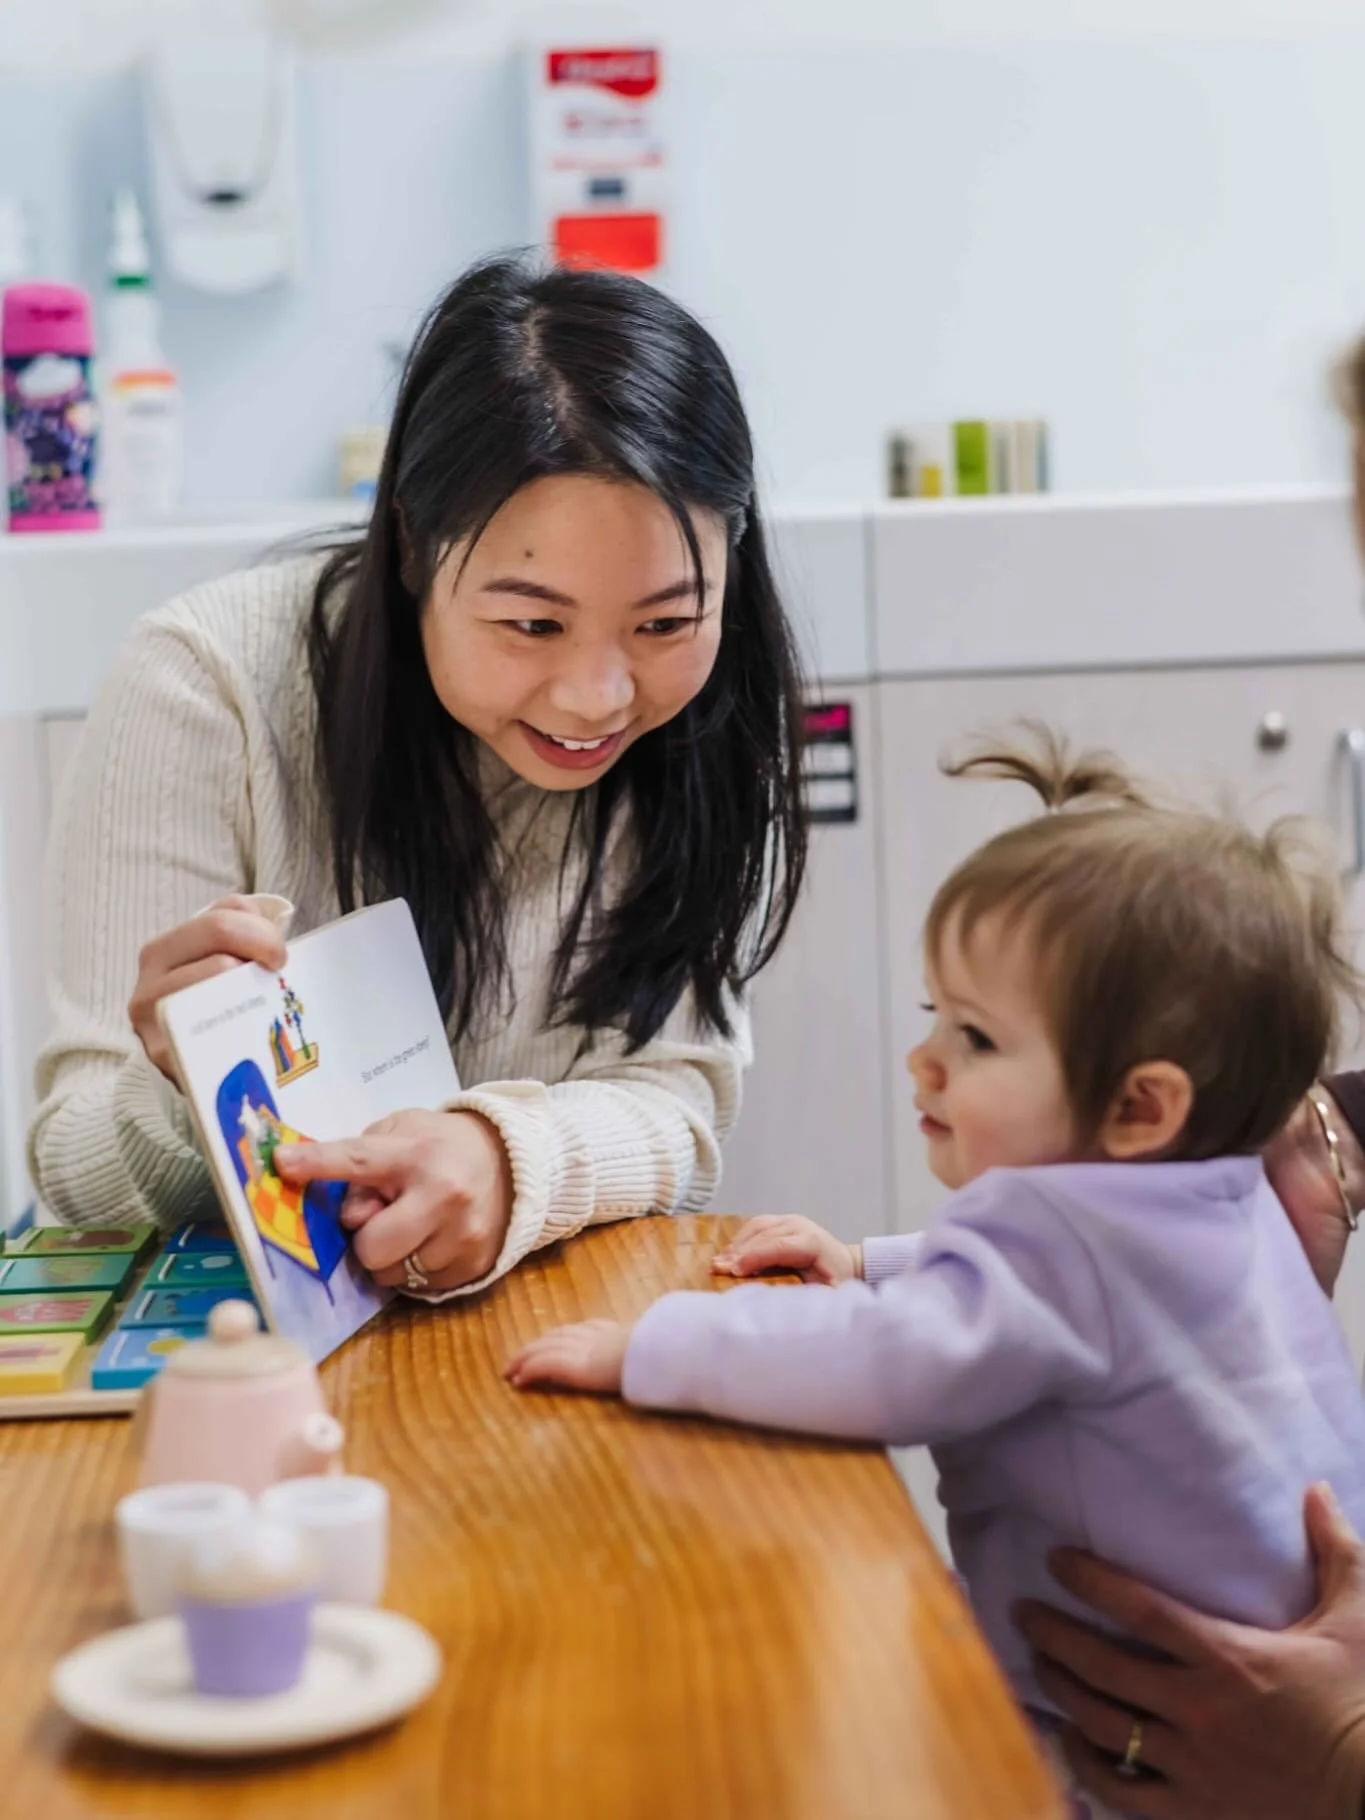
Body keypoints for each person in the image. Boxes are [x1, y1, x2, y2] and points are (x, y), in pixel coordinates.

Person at [507, 736, 1365, 1819]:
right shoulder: (1224, 1192)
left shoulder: (1069, 1245)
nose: (927, 1062)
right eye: (933, 1017)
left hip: (1149, 1738)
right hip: (1286, 1670)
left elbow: (892, 1365)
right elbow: (1065, 1300)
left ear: (1140, 1106)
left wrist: (648, 1346)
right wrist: (866, 1260)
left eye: (976, 1036)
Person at [27, 254, 808, 1298]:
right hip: (228, 1353)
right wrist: (187, 1086)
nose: (595, 695)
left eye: (665, 621)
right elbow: (77, 1180)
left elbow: (679, 1096)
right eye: (531, 622)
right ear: (410, 547)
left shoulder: (708, 712)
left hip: (535, 1335)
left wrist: (505, 1158)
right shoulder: (206, 686)